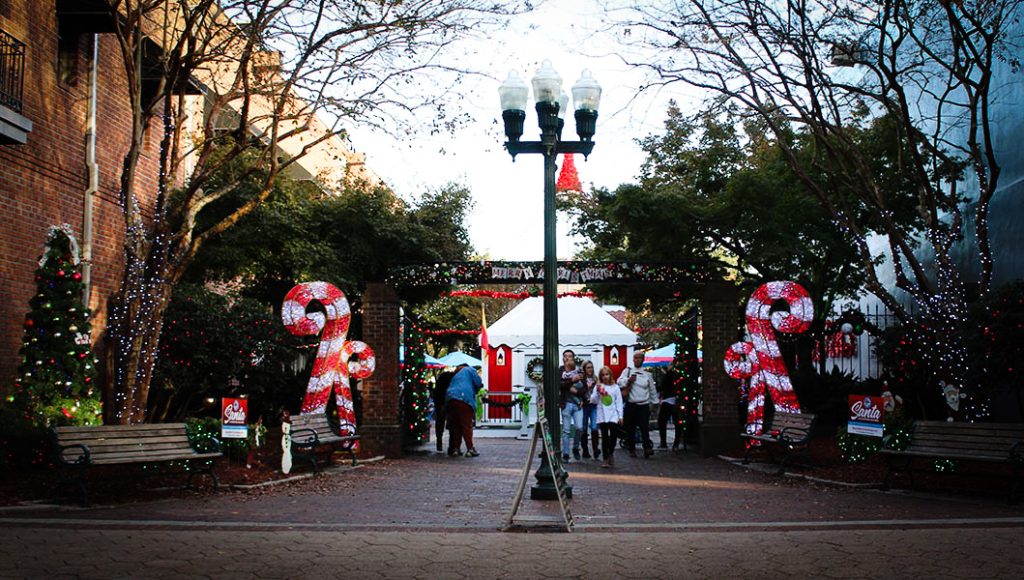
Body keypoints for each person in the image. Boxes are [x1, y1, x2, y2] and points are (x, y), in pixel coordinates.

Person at [617, 351, 658, 458]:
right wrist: (628, 380)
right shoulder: (628, 371)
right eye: (635, 358)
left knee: (644, 427)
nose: (637, 360)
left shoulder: (647, 374)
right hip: (631, 404)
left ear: (643, 359)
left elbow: (652, 390)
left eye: (639, 358)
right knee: (631, 428)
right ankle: (631, 449)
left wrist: (655, 403)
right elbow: (619, 382)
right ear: (633, 359)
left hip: (643, 404)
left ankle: (647, 448)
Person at [445, 364, 484, 457]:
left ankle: (456, 449)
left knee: (455, 426)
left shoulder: (456, 374)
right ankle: (470, 449)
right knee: (466, 425)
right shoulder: (470, 370)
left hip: (450, 398)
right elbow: (478, 382)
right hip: (464, 398)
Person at [591, 366, 624, 468]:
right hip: (602, 415)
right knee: (605, 437)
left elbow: (619, 402)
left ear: (610, 375)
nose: (605, 377)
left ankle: (611, 452)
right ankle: (605, 458)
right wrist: (597, 391)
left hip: (613, 415)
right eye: (603, 375)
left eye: (607, 374)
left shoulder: (615, 387)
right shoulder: (599, 387)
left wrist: (620, 416)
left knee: (613, 436)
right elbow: (593, 400)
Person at [559, 349, 586, 462]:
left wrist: (581, 396)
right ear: (563, 358)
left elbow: (584, 387)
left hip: (577, 404)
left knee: (579, 427)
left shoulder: (578, 370)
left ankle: (575, 447)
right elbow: (559, 384)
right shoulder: (560, 370)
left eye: (570, 356)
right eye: (565, 356)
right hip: (566, 403)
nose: (567, 358)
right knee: (566, 430)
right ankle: (565, 453)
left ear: (573, 358)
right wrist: (571, 380)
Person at [657, 367, 684, 450]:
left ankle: (663, 442)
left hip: (667, 401)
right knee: (677, 423)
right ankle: (676, 443)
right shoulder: (679, 376)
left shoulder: (667, 377)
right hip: (676, 401)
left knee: (662, 421)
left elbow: (662, 387)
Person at [579, 360, 600, 459]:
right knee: (583, 428)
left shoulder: (596, 379)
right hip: (584, 406)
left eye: (591, 367)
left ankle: (596, 449)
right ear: (584, 369)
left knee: (594, 427)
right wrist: (587, 387)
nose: (590, 369)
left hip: (594, 405)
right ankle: (585, 450)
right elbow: (578, 392)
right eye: (588, 367)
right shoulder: (581, 380)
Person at [431, 370, 455, 453]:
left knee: (440, 422)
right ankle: (452, 446)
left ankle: (439, 442)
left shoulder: (440, 383)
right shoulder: (452, 382)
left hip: (440, 403)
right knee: (452, 424)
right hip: (448, 403)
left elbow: (435, 394)